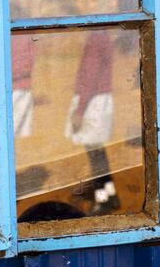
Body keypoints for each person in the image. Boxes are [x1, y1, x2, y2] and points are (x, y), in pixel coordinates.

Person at [65, 30, 120, 215]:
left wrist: (79, 110)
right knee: (98, 153)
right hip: (98, 99)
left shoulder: (96, 38)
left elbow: (90, 76)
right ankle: (111, 195)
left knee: (95, 156)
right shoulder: (102, 36)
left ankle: (102, 201)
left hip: (92, 102)